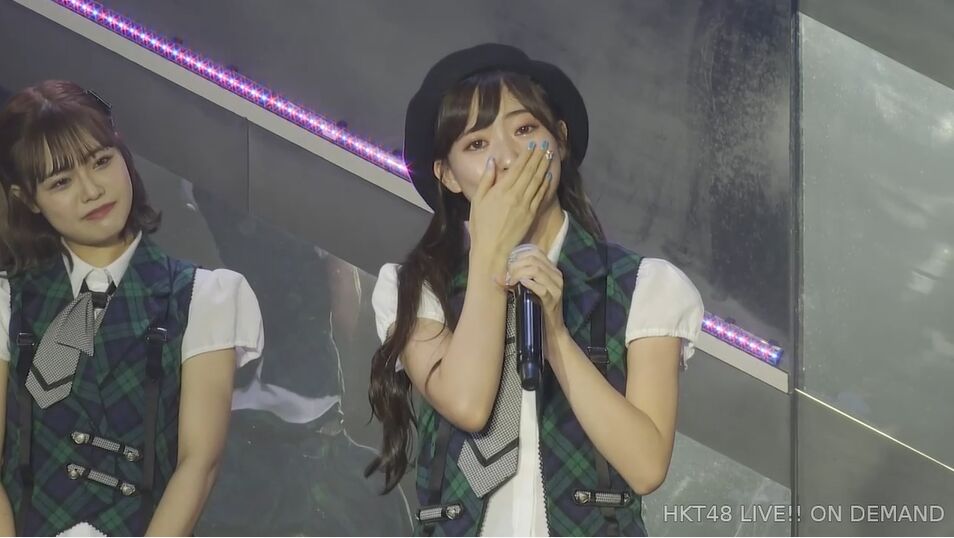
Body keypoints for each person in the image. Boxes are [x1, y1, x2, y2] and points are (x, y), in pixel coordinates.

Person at [367, 44, 704, 536]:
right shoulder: (417, 288)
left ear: (560, 140)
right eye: (476, 144)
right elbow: (467, 402)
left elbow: (647, 466)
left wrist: (557, 336)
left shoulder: (642, 285)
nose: (506, 157)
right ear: (448, 175)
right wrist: (490, 253)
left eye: (525, 130)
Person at [0, 80, 264, 536]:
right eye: (61, 182)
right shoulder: (8, 301)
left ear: (124, 156)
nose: (91, 191)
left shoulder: (204, 297)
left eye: (101, 162)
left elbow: (199, 463)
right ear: (28, 199)